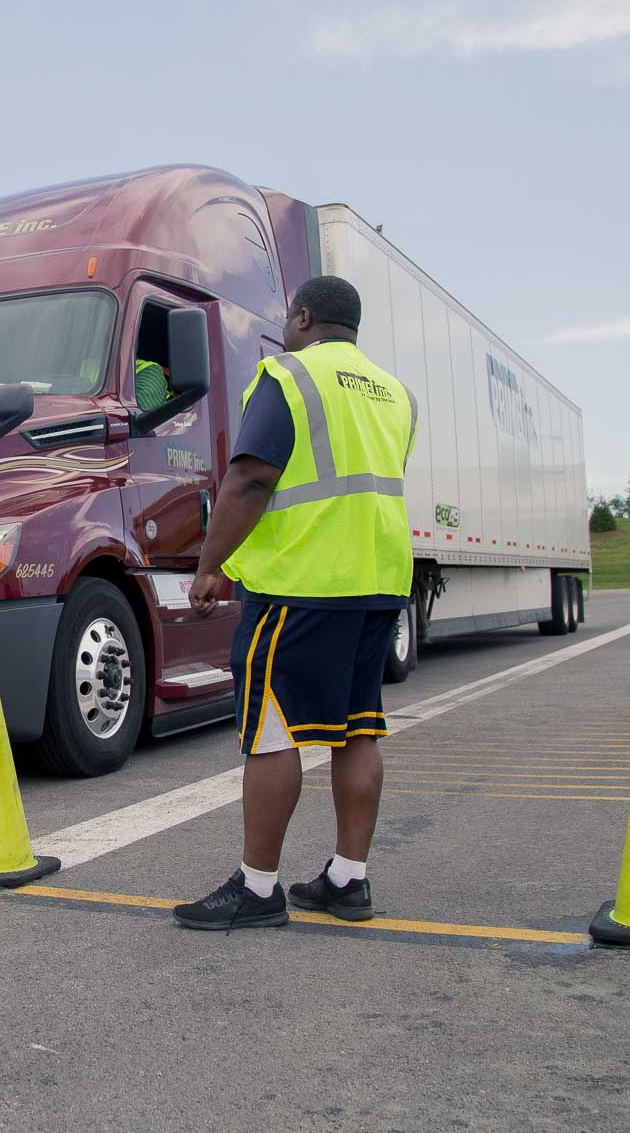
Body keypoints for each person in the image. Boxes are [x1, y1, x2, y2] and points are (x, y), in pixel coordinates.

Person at [173, 274, 417, 931]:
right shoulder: (395, 393)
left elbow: (252, 477)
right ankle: (349, 879)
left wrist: (208, 565)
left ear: (304, 317)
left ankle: (257, 889)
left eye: (289, 317)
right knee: (359, 727)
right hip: (380, 580)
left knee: (273, 730)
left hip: (301, 583)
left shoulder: (287, 378)